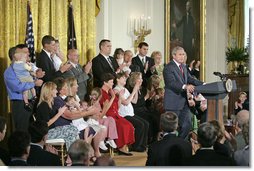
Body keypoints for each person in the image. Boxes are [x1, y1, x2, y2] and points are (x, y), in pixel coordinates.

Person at [163, 46, 203, 139]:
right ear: (174, 55)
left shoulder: (183, 67)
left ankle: (180, 144)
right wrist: (185, 87)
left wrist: (203, 84)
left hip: (184, 102)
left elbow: (189, 78)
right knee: (170, 128)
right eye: (180, 54)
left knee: (187, 125)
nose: (182, 56)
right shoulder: (169, 67)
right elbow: (171, 83)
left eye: (183, 54)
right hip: (173, 103)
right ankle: (171, 146)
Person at [4, 46, 43, 131]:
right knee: (22, 131)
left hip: (30, 102)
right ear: (15, 56)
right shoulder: (9, 72)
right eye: (24, 53)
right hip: (20, 104)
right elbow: (17, 87)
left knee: (32, 130)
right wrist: (34, 83)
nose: (27, 55)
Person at [99, 73, 135, 156]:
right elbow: (105, 108)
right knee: (123, 126)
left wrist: (119, 97)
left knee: (129, 124)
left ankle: (123, 147)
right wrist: (112, 97)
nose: (112, 84)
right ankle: (120, 147)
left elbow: (117, 107)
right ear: (105, 83)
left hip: (116, 115)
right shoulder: (101, 93)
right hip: (107, 116)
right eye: (111, 82)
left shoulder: (110, 92)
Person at [114, 72, 149, 152]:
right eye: (123, 78)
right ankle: (136, 146)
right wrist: (134, 90)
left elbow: (134, 101)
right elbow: (126, 102)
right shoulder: (116, 90)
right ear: (118, 79)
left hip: (130, 113)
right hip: (123, 114)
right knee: (140, 125)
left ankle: (143, 145)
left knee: (146, 124)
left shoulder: (125, 89)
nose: (125, 79)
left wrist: (136, 89)